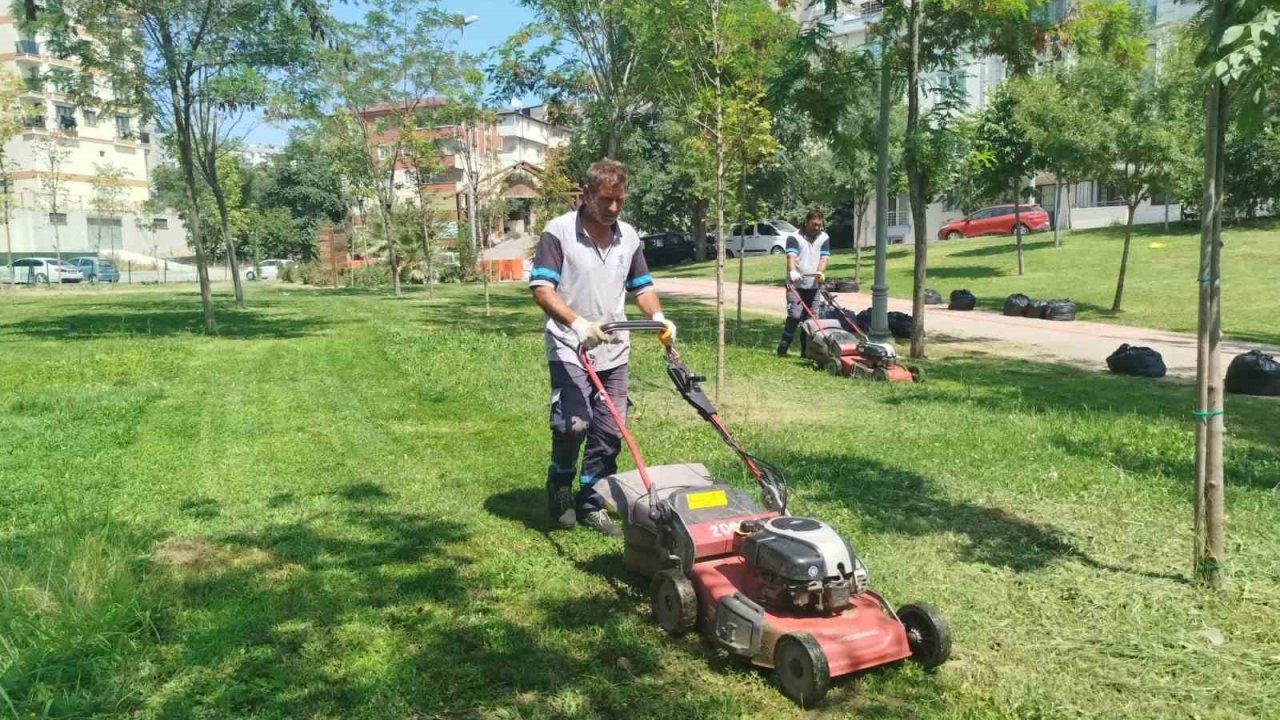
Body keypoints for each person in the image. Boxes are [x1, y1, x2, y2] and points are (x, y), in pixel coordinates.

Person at [528, 159, 676, 535]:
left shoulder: (628, 237)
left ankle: (591, 499)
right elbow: (541, 289)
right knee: (572, 425)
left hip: (614, 349)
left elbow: (641, 286)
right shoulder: (558, 232)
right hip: (569, 345)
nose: (613, 208)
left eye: (619, 201)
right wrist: (578, 324)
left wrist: (658, 317)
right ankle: (559, 485)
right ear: (587, 194)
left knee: (610, 431)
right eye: (606, 199)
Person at [776, 209, 831, 356]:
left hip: (813, 287)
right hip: (796, 285)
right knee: (794, 316)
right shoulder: (794, 237)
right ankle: (783, 347)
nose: (817, 227)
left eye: (819, 224)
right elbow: (791, 257)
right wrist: (792, 271)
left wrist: (820, 273)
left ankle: (806, 351)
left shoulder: (824, 237)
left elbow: (824, 258)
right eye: (814, 224)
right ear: (806, 222)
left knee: (811, 320)